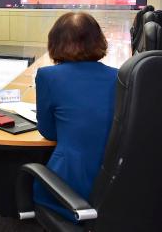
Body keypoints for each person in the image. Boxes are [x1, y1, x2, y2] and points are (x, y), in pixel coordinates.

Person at [33, 12, 118, 222]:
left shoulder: (48, 76)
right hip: (117, 187)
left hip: (69, 187)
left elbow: (49, 132)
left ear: (55, 42)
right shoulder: (121, 76)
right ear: (99, 41)